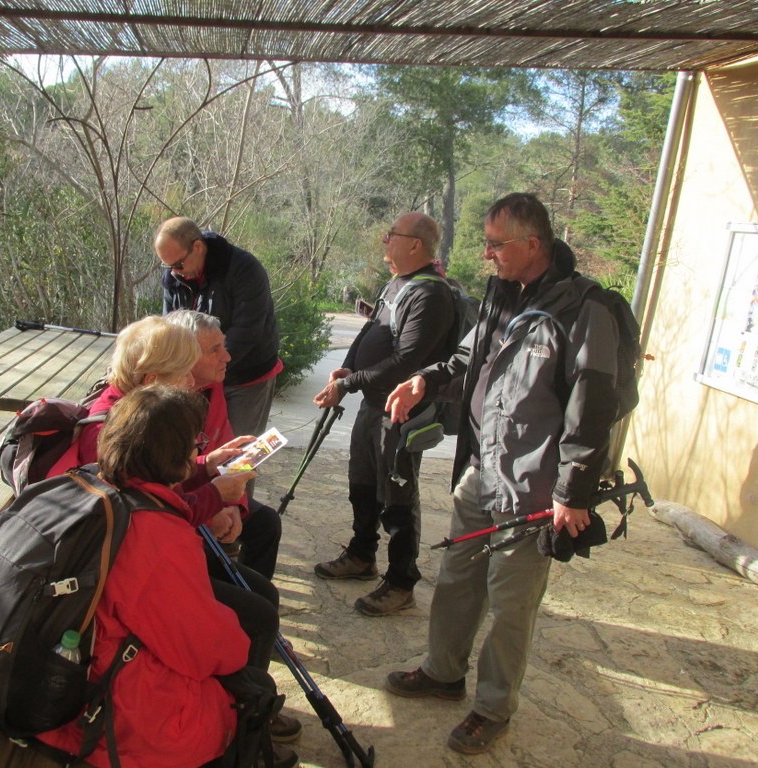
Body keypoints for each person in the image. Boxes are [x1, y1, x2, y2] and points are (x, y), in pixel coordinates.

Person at [382, 193, 621, 755]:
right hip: (482, 468)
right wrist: (427, 379)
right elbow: (469, 357)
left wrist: (574, 490)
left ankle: (493, 707)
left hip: (536, 486)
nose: (485, 254)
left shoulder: (586, 310)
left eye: (496, 244)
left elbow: (595, 403)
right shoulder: (498, 295)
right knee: (457, 575)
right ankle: (442, 672)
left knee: (511, 602)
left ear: (532, 245)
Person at [70, 314, 302, 754]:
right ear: (155, 378)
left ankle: (244, 702)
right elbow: (144, 522)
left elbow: (153, 492)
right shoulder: (112, 429)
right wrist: (212, 497)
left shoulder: (141, 412)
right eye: (185, 370)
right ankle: (238, 715)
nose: (194, 381)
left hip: (144, 554)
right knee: (250, 617)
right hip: (121, 579)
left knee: (258, 599)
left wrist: (210, 467)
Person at [37, 384, 256, 767]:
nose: (197, 450)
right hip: (107, 716)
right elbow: (204, 647)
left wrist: (206, 472)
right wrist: (240, 646)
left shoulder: (91, 481)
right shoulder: (157, 537)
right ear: (176, 455)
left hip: (55, 672)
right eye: (194, 445)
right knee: (247, 685)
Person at [312, 212, 456, 616]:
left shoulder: (431, 294)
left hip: (401, 412)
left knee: (397, 496)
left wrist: (348, 382)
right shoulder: (398, 283)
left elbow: (407, 358)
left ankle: (401, 581)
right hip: (372, 406)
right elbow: (370, 330)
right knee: (361, 483)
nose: (384, 242)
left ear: (416, 244)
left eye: (391, 236)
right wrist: (348, 367)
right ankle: (361, 555)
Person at [166, 309, 283, 580]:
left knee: (266, 523)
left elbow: (226, 453)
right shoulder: (161, 403)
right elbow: (162, 490)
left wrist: (235, 504)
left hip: (205, 490)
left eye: (224, 346)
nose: (228, 357)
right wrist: (212, 507)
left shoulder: (211, 387)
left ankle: (247, 594)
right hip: (174, 507)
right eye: (215, 350)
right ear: (185, 356)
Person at [154, 217, 282, 441]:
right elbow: (170, 328)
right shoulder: (174, 276)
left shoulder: (245, 269)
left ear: (198, 247)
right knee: (195, 447)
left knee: (238, 451)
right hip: (198, 376)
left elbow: (246, 331)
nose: (174, 272)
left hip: (246, 376)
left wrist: (204, 369)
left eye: (178, 264)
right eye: (168, 266)